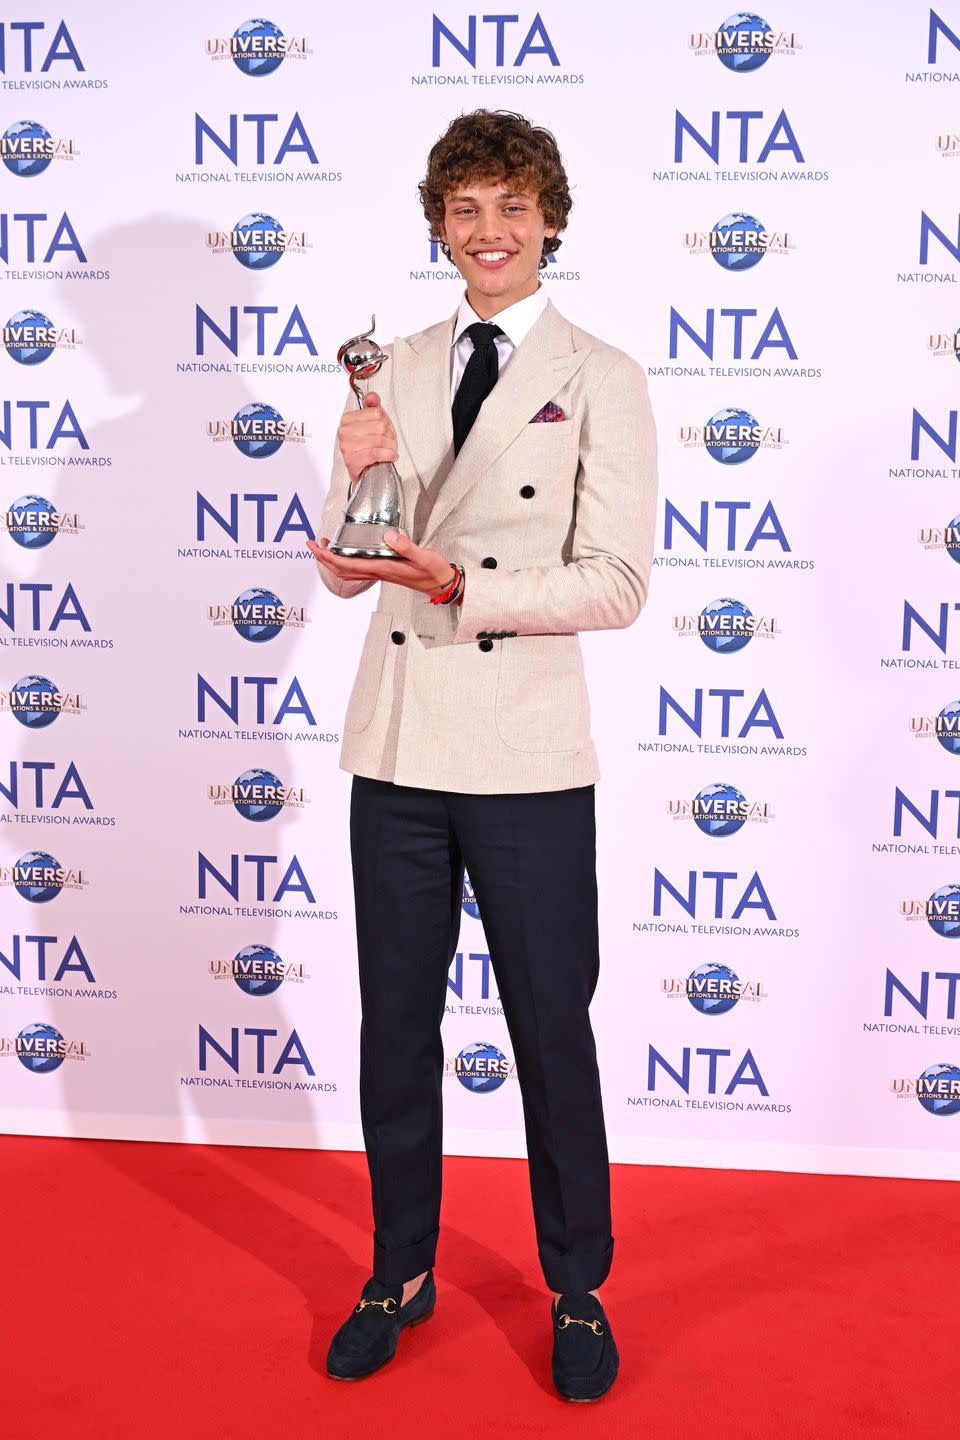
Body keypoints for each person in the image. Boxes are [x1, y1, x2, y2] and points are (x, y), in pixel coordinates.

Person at [308, 108, 657, 1402]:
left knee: (550, 1031)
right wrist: (350, 502)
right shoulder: (384, 368)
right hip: (398, 745)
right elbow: (351, 573)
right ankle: (399, 1272)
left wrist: (469, 582)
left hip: (526, 755)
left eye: (511, 207)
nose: (489, 232)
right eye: (465, 210)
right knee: (394, 1028)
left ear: (549, 219)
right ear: (439, 227)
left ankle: (576, 1290)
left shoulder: (601, 373)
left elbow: (616, 582)